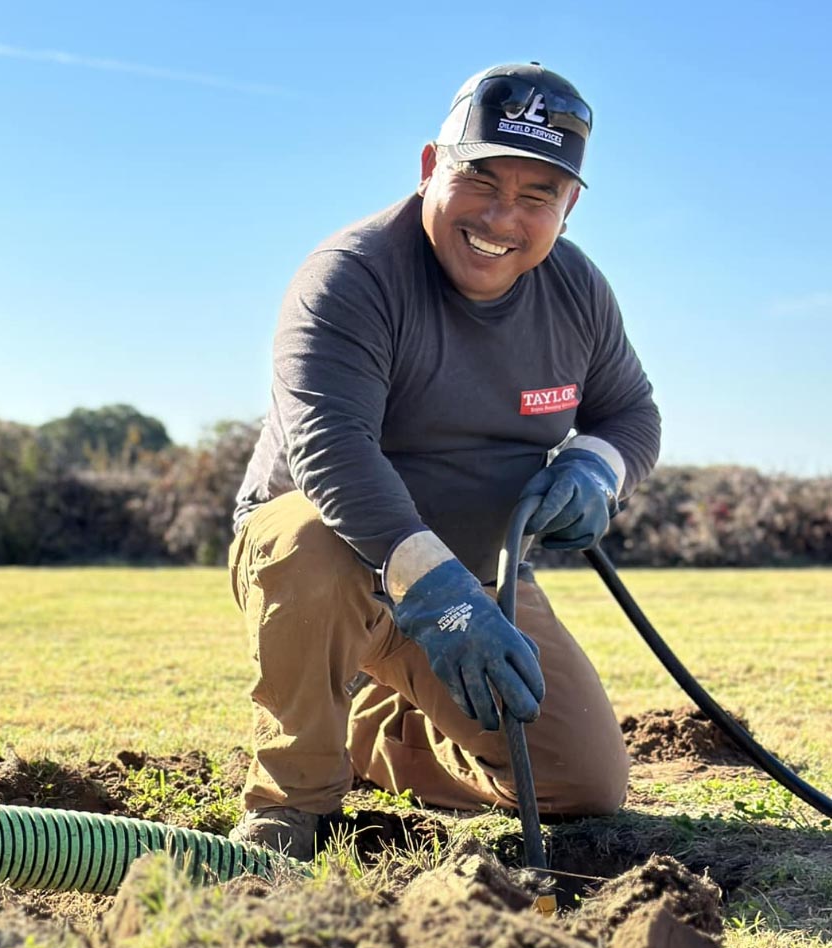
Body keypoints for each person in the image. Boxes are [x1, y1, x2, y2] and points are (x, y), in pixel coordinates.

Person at [226, 63, 661, 859]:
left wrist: (598, 466)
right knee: (308, 541)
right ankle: (294, 802)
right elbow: (329, 448)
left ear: (569, 207)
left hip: (477, 575)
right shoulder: (351, 275)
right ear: (432, 167)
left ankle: (379, 732)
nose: (503, 216)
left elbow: (630, 412)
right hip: (339, 560)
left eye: (538, 196)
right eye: (481, 179)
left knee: (583, 785)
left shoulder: (578, 294)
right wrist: (434, 590)